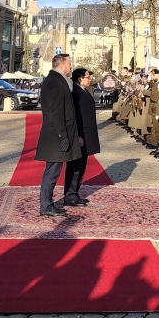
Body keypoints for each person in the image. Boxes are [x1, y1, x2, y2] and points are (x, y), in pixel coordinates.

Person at [33, 54, 83, 217]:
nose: (71, 66)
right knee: (52, 172)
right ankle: (46, 206)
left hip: (57, 134)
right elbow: (55, 112)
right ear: (61, 65)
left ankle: (47, 204)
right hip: (55, 136)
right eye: (69, 63)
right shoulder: (54, 82)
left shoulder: (56, 80)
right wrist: (63, 136)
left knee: (53, 171)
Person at [66, 67, 100, 206]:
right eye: (87, 76)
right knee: (75, 167)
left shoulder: (83, 90)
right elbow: (76, 117)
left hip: (87, 134)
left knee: (82, 166)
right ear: (80, 78)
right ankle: (70, 195)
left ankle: (75, 193)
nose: (90, 78)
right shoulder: (75, 92)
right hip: (81, 135)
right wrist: (78, 135)